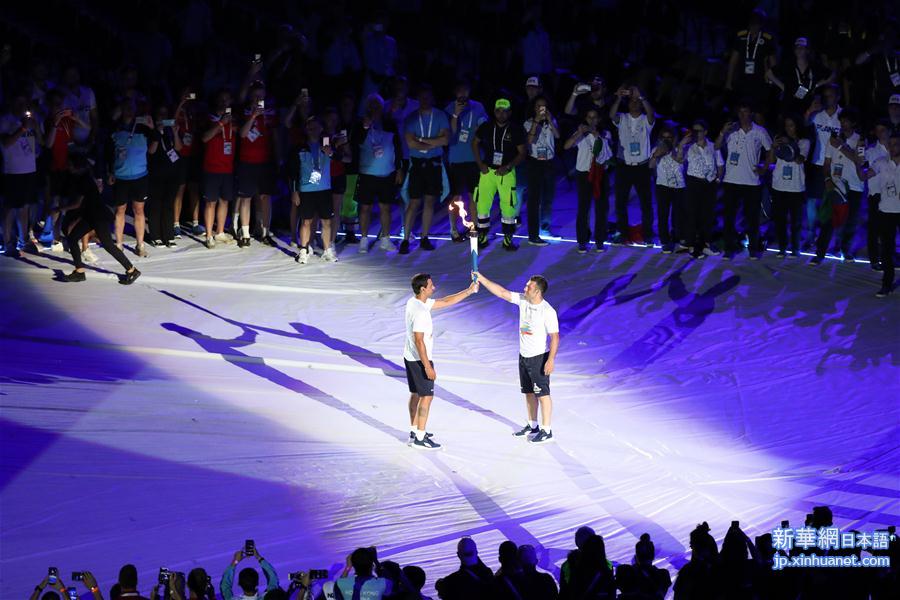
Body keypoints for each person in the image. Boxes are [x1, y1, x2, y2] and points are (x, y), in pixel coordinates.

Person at [475, 271, 559, 443]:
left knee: (542, 394)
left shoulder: (547, 311)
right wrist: (482, 278)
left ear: (537, 292)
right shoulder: (523, 300)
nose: (524, 288)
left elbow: (555, 337)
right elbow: (502, 292)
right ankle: (533, 425)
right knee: (528, 393)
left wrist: (550, 360)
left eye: (529, 287)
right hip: (524, 356)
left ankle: (547, 430)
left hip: (538, 358)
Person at [404, 272, 479, 449]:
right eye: (431, 286)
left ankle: (415, 430)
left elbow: (446, 301)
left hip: (409, 357)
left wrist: (469, 291)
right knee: (427, 397)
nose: (434, 287)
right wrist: (427, 366)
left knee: (416, 394)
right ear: (423, 289)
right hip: (420, 359)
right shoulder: (421, 312)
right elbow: (419, 341)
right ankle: (420, 438)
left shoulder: (414, 301)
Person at [59, 153, 141, 284]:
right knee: (72, 238)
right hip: (91, 215)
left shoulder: (83, 179)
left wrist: (59, 209)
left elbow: (77, 204)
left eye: (70, 165)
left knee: (108, 245)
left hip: (98, 216)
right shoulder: (80, 177)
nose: (68, 167)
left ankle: (131, 270)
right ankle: (79, 272)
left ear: (77, 166)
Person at [716, 99, 772, 260]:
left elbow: (770, 151)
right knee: (729, 217)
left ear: (751, 113)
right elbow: (717, 147)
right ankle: (729, 248)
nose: (742, 115)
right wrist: (722, 132)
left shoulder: (759, 131)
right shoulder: (731, 130)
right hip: (731, 180)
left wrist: (764, 168)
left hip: (751, 181)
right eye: (740, 112)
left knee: (752, 218)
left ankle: (753, 248)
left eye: (745, 111)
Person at [472, 98, 527, 251]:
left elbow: (522, 153)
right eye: (498, 110)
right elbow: (474, 143)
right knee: (482, 205)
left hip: (506, 172)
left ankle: (508, 240)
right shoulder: (486, 127)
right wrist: (480, 163)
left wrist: (508, 166)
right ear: (494, 111)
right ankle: (482, 237)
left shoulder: (516, 129)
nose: (501, 114)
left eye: (505, 111)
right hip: (487, 171)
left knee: (508, 208)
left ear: (510, 112)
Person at [811, 108, 865, 264]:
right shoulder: (832, 139)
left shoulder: (860, 140)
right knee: (827, 220)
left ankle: (845, 250)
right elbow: (826, 163)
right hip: (835, 185)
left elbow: (859, 161)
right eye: (841, 121)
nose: (843, 124)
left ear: (853, 123)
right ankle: (820, 253)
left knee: (850, 221)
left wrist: (841, 146)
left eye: (846, 121)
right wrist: (827, 179)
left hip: (854, 187)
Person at [353, 93, 404, 253]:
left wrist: (399, 169)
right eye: (372, 105)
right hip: (367, 173)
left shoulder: (389, 123)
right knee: (365, 208)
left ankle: (386, 239)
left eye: (378, 105)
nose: (374, 108)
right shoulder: (360, 123)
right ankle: (363, 239)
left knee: (386, 208)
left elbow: (398, 148)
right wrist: (365, 127)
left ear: (382, 107)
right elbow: (355, 142)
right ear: (367, 107)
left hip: (387, 173)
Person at [402, 85, 449, 253]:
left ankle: (424, 237)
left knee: (429, 201)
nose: (425, 101)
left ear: (432, 99)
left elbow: (445, 141)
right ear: (418, 99)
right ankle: (405, 240)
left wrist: (422, 139)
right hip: (417, 165)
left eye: (428, 97)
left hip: (434, 165)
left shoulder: (441, 115)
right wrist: (433, 142)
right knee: (413, 202)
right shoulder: (411, 118)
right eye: (421, 98)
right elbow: (410, 143)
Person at [108, 99, 157, 257]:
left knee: (139, 210)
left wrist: (152, 127)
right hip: (120, 176)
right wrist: (109, 172)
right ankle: (119, 244)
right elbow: (108, 152)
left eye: (132, 107)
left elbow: (155, 141)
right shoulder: (115, 127)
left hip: (140, 176)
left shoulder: (143, 127)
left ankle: (140, 245)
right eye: (126, 107)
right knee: (120, 210)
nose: (129, 110)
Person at [609, 85, 656, 246]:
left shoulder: (646, 119)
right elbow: (611, 115)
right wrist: (619, 98)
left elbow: (651, 114)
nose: (634, 103)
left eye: (637, 101)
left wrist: (641, 96)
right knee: (620, 202)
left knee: (646, 203)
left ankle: (648, 234)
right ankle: (622, 233)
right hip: (624, 166)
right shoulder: (622, 117)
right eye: (632, 101)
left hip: (642, 166)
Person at [236, 81, 280, 247]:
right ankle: (245, 234)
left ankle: (265, 232)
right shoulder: (244, 112)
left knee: (265, 197)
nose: (258, 99)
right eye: (255, 96)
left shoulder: (270, 113)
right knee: (246, 198)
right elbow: (242, 134)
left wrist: (278, 158)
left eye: (261, 96)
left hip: (265, 162)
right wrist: (253, 116)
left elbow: (274, 137)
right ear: (250, 96)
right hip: (247, 161)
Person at [565, 108, 613, 253]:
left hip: (600, 174)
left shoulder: (606, 134)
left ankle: (599, 241)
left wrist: (597, 136)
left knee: (601, 208)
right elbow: (566, 146)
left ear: (599, 119)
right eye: (589, 117)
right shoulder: (581, 135)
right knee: (583, 208)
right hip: (584, 175)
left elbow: (608, 155)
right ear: (586, 118)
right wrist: (579, 132)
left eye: (595, 117)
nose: (592, 120)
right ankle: (582, 241)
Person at [445, 81, 488, 242]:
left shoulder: (478, 107)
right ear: (455, 92)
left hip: (473, 158)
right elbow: (450, 133)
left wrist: (479, 129)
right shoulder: (449, 108)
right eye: (459, 90)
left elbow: (484, 126)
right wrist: (455, 115)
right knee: (455, 197)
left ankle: (474, 228)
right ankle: (454, 229)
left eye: (465, 90)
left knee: (474, 196)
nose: (462, 93)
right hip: (455, 159)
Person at [291, 116, 338, 265]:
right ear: (306, 129)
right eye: (310, 127)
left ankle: (327, 250)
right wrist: (294, 191)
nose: (313, 129)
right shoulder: (299, 147)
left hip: (324, 189)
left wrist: (331, 153)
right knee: (306, 222)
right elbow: (292, 172)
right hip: (306, 190)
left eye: (316, 127)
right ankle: (304, 250)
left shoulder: (327, 145)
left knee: (326, 222)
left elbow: (345, 159)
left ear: (321, 129)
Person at [1, 95, 42, 256]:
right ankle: (7, 243)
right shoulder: (5, 120)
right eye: (18, 102)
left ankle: (23, 241)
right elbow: (6, 143)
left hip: (29, 169)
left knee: (25, 208)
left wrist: (36, 127)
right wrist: (23, 128)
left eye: (24, 103)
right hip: (12, 171)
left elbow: (40, 142)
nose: (22, 106)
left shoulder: (30, 121)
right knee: (9, 208)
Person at [804, 84, 842, 249]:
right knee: (812, 200)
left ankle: (834, 240)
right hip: (817, 163)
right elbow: (803, 125)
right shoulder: (817, 114)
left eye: (831, 95)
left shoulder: (843, 115)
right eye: (825, 96)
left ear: (838, 97)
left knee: (836, 203)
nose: (828, 99)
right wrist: (809, 110)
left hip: (836, 165)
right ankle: (811, 234)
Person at [768, 115, 810, 258]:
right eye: (786, 125)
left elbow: (799, 160)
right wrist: (773, 147)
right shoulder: (781, 140)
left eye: (791, 125)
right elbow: (772, 160)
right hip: (779, 185)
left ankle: (795, 248)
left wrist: (791, 143)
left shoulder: (804, 142)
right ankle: (782, 247)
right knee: (780, 220)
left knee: (795, 221)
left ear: (797, 126)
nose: (788, 128)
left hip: (796, 187)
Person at [683, 119, 725, 258]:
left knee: (707, 216)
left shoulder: (713, 146)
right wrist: (682, 144)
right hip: (694, 183)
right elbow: (678, 160)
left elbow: (719, 164)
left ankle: (706, 244)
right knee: (692, 215)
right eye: (694, 130)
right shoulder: (689, 147)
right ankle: (691, 246)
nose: (696, 133)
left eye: (699, 130)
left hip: (709, 184)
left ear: (705, 132)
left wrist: (718, 179)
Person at [201, 90, 237, 249]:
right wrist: (221, 123)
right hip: (211, 167)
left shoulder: (234, 120)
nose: (224, 102)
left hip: (228, 168)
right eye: (221, 99)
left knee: (224, 200)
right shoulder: (209, 119)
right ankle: (209, 235)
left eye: (227, 99)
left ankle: (220, 231)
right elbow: (205, 138)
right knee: (211, 202)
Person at [866, 131, 900, 297]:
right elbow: (864, 175)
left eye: (896, 144)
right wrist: (857, 161)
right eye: (890, 144)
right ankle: (886, 284)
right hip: (886, 211)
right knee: (887, 250)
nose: (892, 148)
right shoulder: (881, 162)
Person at [724, 10, 776, 119]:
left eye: (757, 23)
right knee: (740, 111)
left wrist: (773, 82)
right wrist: (728, 82)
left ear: (762, 24)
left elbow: (773, 63)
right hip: (742, 81)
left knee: (758, 113)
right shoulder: (741, 36)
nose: (754, 26)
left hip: (760, 82)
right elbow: (733, 61)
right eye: (752, 23)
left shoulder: (767, 39)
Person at [766, 38, 834, 119]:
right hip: (789, 103)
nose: (799, 50)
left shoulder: (814, 65)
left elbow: (832, 75)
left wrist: (816, 85)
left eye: (802, 47)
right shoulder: (788, 64)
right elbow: (769, 73)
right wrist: (783, 87)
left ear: (807, 50)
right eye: (797, 47)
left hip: (807, 103)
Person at [524, 96, 560, 245]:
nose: (541, 109)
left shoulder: (552, 121)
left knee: (548, 198)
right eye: (539, 106)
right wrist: (537, 121)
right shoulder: (528, 123)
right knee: (534, 200)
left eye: (544, 106)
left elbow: (558, 136)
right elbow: (529, 141)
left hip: (549, 162)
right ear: (534, 108)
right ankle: (533, 235)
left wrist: (550, 120)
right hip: (535, 163)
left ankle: (545, 228)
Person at [147, 104, 183, 247]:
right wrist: (158, 132)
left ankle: (169, 235)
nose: (163, 117)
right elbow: (151, 151)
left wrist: (175, 132)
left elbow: (179, 148)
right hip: (156, 174)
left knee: (168, 205)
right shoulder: (150, 131)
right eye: (160, 114)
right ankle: (155, 235)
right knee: (156, 205)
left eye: (165, 114)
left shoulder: (170, 132)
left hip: (171, 173)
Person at [650, 125, 686, 253]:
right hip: (663, 186)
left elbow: (681, 160)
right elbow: (650, 166)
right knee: (663, 214)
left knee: (678, 215)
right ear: (659, 138)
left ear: (674, 138)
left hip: (679, 186)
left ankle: (678, 237)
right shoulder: (656, 149)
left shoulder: (680, 149)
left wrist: (675, 149)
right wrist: (656, 156)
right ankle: (664, 241)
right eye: (663, 138)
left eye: (669, 138)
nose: (666, 140)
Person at [173, 87, 204, 238]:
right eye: (186, 94)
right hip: (180, 155)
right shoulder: (178, 110)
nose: (189, 97)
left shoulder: (195, 112)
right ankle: (176, 224)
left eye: (190, 94)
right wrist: (181, 103)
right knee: (180, 189)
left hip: (194, 154)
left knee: (194, 189)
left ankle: (196, 223)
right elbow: (172, 121)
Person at [865, 119, 892, 270]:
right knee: (874, 228)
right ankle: (874, 259)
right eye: (877, 130)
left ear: (889, 131)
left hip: (893, 195)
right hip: (876, 193)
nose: (880, 133)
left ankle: (889, 257)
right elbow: (862, 167)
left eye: (883, 130)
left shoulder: (896, 148)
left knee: (890, 229)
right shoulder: (871, 151)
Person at [615, 534, 671, 600]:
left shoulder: (625, 571)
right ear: (653, 557)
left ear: (636, 557)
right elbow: (660, 595)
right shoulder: (662, 574)